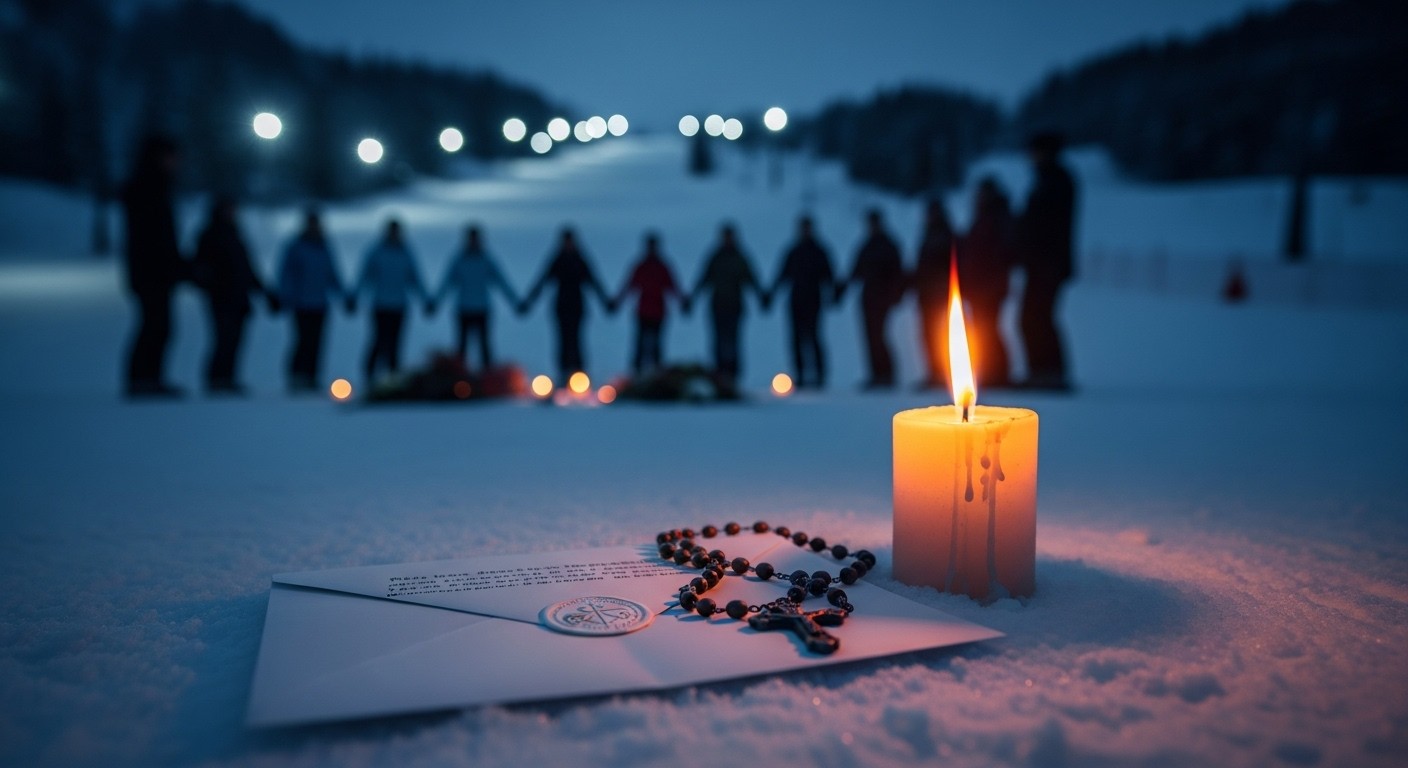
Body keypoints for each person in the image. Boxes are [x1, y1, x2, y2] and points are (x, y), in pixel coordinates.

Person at [121, 134, 186, 397]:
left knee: (158, 325)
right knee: (155, 324)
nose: (176, 163)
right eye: (171, 157)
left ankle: (149, 378)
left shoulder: (156, 188)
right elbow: (152, 238)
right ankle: (143, 379)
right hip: (151, 272)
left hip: (155, 271)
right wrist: (170, 264)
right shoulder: (148, 189)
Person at [191, 197, 275, 394]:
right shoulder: (209, 235)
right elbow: (200, 267)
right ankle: (216, 378)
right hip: (221, 297)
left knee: (236, 338)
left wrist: (263, 291)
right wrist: (211, 283)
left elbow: (246, 268)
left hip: (239, 296)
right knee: (223, 337)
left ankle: (227, 377)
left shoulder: (236, 235)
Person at [1016, 132, 1078, 390]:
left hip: (1047, 264)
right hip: (1040, 263)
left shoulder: (1056, 181)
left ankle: (1050, 373)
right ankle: (1040, 371)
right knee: (1033, 317)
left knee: (1037, 317)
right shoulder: (1047, 180)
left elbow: (1046, 225)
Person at [520, 227, 610, 381]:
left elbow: (594, 281)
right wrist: (529, 302)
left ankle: (579, 375)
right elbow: (542, 281)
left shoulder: (580, 260)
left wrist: (606, 302)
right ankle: (563, 374)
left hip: (577, 307)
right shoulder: (558, 260)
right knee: (562, 341)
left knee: (577, 340)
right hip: (561, 308)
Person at [351, 218, 428, 383]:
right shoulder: (376, 252)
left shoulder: (406, 252)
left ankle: (393, 375)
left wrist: (425, 299)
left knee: (396, 343)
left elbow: (415, 278)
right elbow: (364, 276)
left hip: (399, 305)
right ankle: (370, 374)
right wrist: (354, 296)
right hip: (380, 305)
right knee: (379, 340)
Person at [277, 209, 345, 392]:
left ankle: (312, 376)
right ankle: (297, 375)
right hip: (301, 303)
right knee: (302, 339)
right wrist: (285, 295)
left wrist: (343, 294)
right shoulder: (296, 247)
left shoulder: (324, 246)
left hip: (320, 303)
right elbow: (287, 273)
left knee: (317, 341)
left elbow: (332, 273)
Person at [432, 225, 518, 371]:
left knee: (484, 345)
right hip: (464, 308)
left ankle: (487, 374)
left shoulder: (486, 260)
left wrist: (515, 301)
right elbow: (447, 283)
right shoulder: (459, 260)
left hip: (482, 308)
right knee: (462, 346)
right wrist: (435, 302)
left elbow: (502, 282)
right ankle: (460, 376)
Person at [836, 209, 906, 389]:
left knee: (880, 335)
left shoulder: (888, 245)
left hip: (882, 299)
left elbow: (898, 272)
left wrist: (896, 295)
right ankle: (876, 374)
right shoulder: (867, 246)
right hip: (868, 298)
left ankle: (887, 374)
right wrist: (841, 291)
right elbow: (855, 270)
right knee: (870, 337)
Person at [689, 224, 765, 384]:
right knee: (718, 341)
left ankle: (733, 374)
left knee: (733, 341)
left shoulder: (740, 257)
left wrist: (761, 297)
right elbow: (704, 278)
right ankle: (719, 373)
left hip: (735, 307)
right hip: (717, 306)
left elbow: (751, 279)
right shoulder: (715, 257)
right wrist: (692, 299)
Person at [959, 178, 1016, 387]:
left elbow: (1001, 252)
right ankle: (992, 371)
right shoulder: (983, 218)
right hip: (979, 287)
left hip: (990, 286)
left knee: (989, 328)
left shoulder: (997, 218)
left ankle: (999, 373)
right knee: (983, 329)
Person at [769, 216, 837, 390]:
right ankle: (799, 374)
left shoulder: (819, 252)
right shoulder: (794, 251)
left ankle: (819, 375)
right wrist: (771, 294)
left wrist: (834, 294)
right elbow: (782, 274)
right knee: (796, 340)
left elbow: (829, 276)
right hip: (796, 301)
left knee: (814, 338)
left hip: (813, 301)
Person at [614, 232, 683, 375]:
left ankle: (656, 373)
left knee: (656, 345)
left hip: (658, 312)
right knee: (640, 344)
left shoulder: (662, 267)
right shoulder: (641, 266)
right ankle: (638, 373)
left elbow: (673, 287)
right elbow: (629, 285)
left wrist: (683, 301)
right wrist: (617, 302)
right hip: (643, 312)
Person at [912, 199, 955, 389]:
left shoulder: (944, 236)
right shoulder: (930, 235)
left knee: (939, 335)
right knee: (928, 335)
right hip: (927, 295)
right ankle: (934, 372)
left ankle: (942, 373)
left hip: (939, 295)